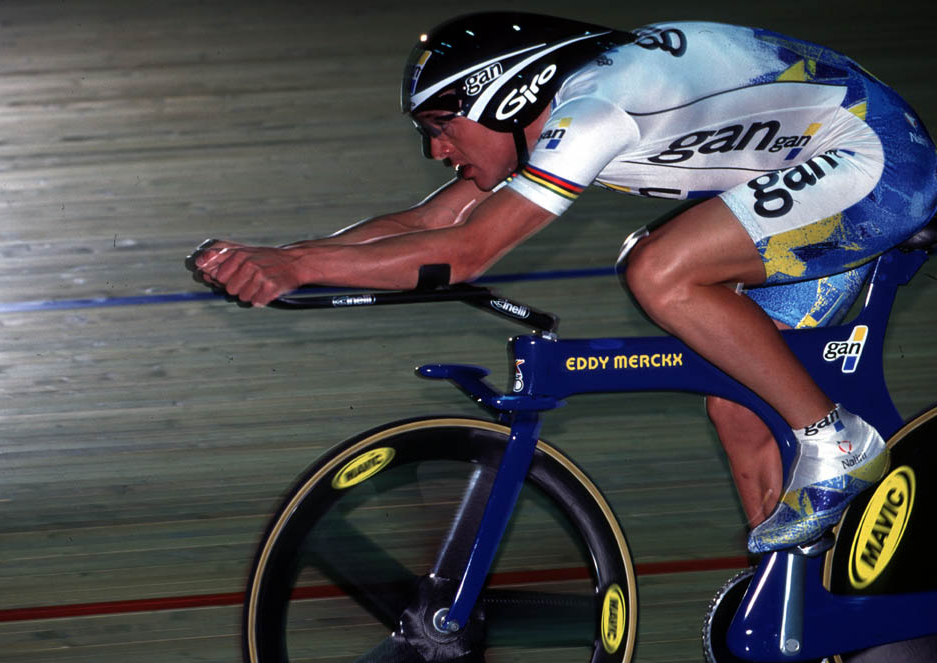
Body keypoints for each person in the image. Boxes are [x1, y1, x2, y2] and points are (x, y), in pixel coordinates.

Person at [191, 12, 937, 552]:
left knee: (659, 267)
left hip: (877, 160)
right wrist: (282, 256)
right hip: (809, 164)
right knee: (739, 396)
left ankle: (837, 441)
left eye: (442, 124)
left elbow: (470, 251)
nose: (434, 147)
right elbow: (427, 225)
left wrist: (301, 265)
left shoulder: (592, 111)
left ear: (507, 99)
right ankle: (799, 599)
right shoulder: (563, 114)